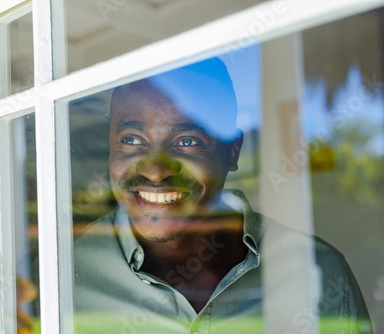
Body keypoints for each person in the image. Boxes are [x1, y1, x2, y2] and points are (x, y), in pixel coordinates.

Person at [72, 58, 372, 333]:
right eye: (132, 139)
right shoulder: (61, 275)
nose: (155, 171)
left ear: (232, 151)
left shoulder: (321, 271)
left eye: (187, 141)